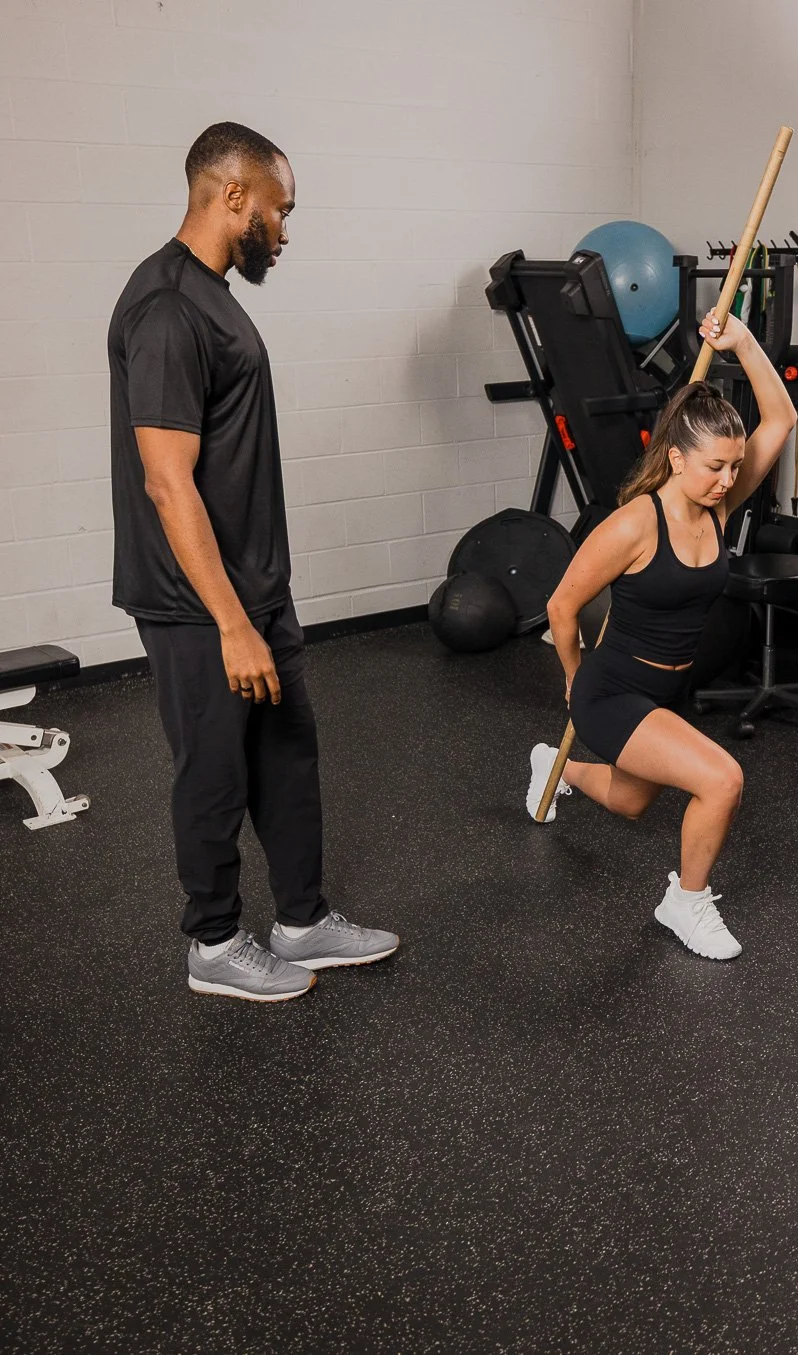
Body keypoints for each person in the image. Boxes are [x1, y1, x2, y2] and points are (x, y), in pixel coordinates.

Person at [108, 122, 398, 1001]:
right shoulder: (166, 308)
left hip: (252, 593)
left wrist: (258, 601)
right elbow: (167, 483)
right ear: (233, 195)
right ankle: (213, 942)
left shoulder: (212, 294)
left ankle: (302, 918)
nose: (285, 227)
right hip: (200, 606)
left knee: (285, 753)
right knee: (215, 768)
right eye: (280, 207)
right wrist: (232, 621)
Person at [527, 308, 798, 960]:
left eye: (735, 466)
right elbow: (561, 607)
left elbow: (781, 418)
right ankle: (686, 900)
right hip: (612, 690)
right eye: (714, 466)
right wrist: (572, 679)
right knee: (721, 778)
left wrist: (742, 340)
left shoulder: (720, 506)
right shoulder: (633, 525)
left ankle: (552, 765)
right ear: (676, 457)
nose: (729, 479)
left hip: (665, 692)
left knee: (627, 802)